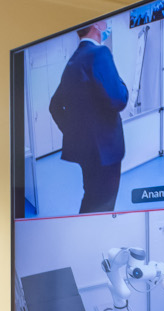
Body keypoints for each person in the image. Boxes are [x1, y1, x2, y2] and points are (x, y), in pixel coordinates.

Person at [49, 19, 129, 214]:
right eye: (105, 21)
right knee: (104, 203)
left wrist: (74, 132)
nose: (107, 24)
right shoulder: (100, 53)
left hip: (86, 151)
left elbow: (55, 106)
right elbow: (119, 99)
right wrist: (122, 83)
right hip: (106, 152)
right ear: (97, 25)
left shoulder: (73, 61)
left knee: (92, 196)